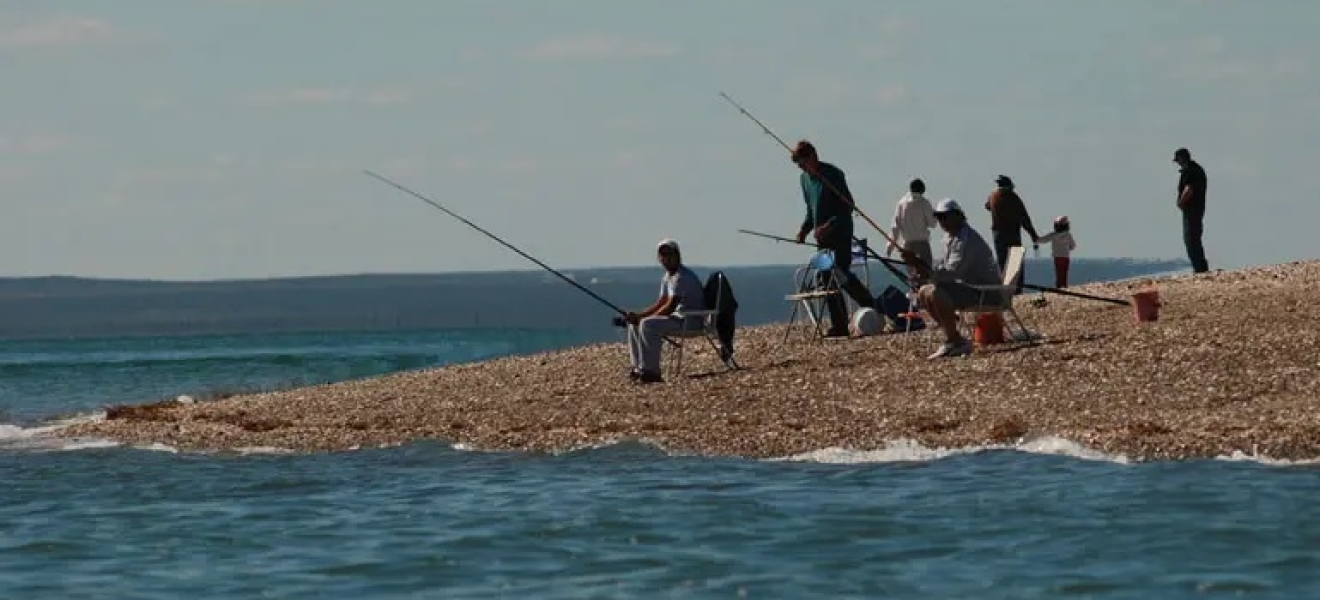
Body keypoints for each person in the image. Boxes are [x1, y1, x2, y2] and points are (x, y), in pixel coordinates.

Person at [790, 140, 874, 337]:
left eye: (803, 163)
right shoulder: (804, 180)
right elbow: (811, 212)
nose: (801, 168)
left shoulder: (833, 174)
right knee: (825, 278)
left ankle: (868, 305)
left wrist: (829, 226)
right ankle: (840, 325)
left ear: (812, 157)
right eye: (799, 166)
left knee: (840, 275)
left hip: (840, 235)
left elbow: (848, 206)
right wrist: (804, 230)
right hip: (822, 242)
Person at [902, 198, 1003, 359]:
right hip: (969, 289)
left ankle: (955, 341)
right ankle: (953, 337)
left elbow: (952, 272)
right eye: (939, 218)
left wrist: (921, 266)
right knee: (924, 291)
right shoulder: (951, 238)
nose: (942, 222)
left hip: (985, 293)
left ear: (958, 216)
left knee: (936, 293)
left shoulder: (967, 240)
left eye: (945, 217)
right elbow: (943, 269)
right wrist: (921, 269)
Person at [622, 238, 707, 383]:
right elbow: (661, 302)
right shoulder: (667, 277)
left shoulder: (682, 277)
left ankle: (651, 371)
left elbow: (670, 306)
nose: (666, 259)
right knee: (635, 324)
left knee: (647, 325)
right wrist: (639, 316)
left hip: (689, 321)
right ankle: (638, 368)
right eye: (663, 256)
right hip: (677, 319)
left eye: (670, 255)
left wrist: (643, 319)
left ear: (677, 256)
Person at [984, 175, 1040, 293]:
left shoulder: (993, 195)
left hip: (998, 233)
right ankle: (1016, 290)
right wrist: (1033, 235)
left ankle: (1005, 290)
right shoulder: (1013, 198)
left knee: (1002, 262)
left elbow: (987, 206)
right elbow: (1024, 218)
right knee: (1015, 261)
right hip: (1012, 232)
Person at [886, 178, 938, 278]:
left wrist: (890, 246)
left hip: (907, 245)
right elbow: (933, 224)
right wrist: (934, 215)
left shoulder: (901, 203)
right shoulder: (924, 203)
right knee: (926, 273)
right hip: (922, 244)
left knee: (912, 276)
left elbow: (895, 227)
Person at [1173, 147, 1209, 273]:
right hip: (1198, 209)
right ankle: (1200, 267)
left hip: (1191, 210)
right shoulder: (1197, 169)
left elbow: (1189, 189)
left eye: (1177, 159)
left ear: (1182, 158)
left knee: (1190, 239)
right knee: (1195, 238)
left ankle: (1199, 268)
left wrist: (1180, 202)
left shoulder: (1189, 171)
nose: (1177, 162)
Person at [1036, 216, 1077, 288]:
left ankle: (1059, 286)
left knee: (1058, 273)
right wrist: (1069, 248)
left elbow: (1044, 240)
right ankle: (1064, 286)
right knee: (1064, 273)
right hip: (1066, 257)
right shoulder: (1068, 235)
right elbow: (1073, 246)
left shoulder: (1053, 235)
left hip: (1057, 257)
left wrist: (1036, 239)